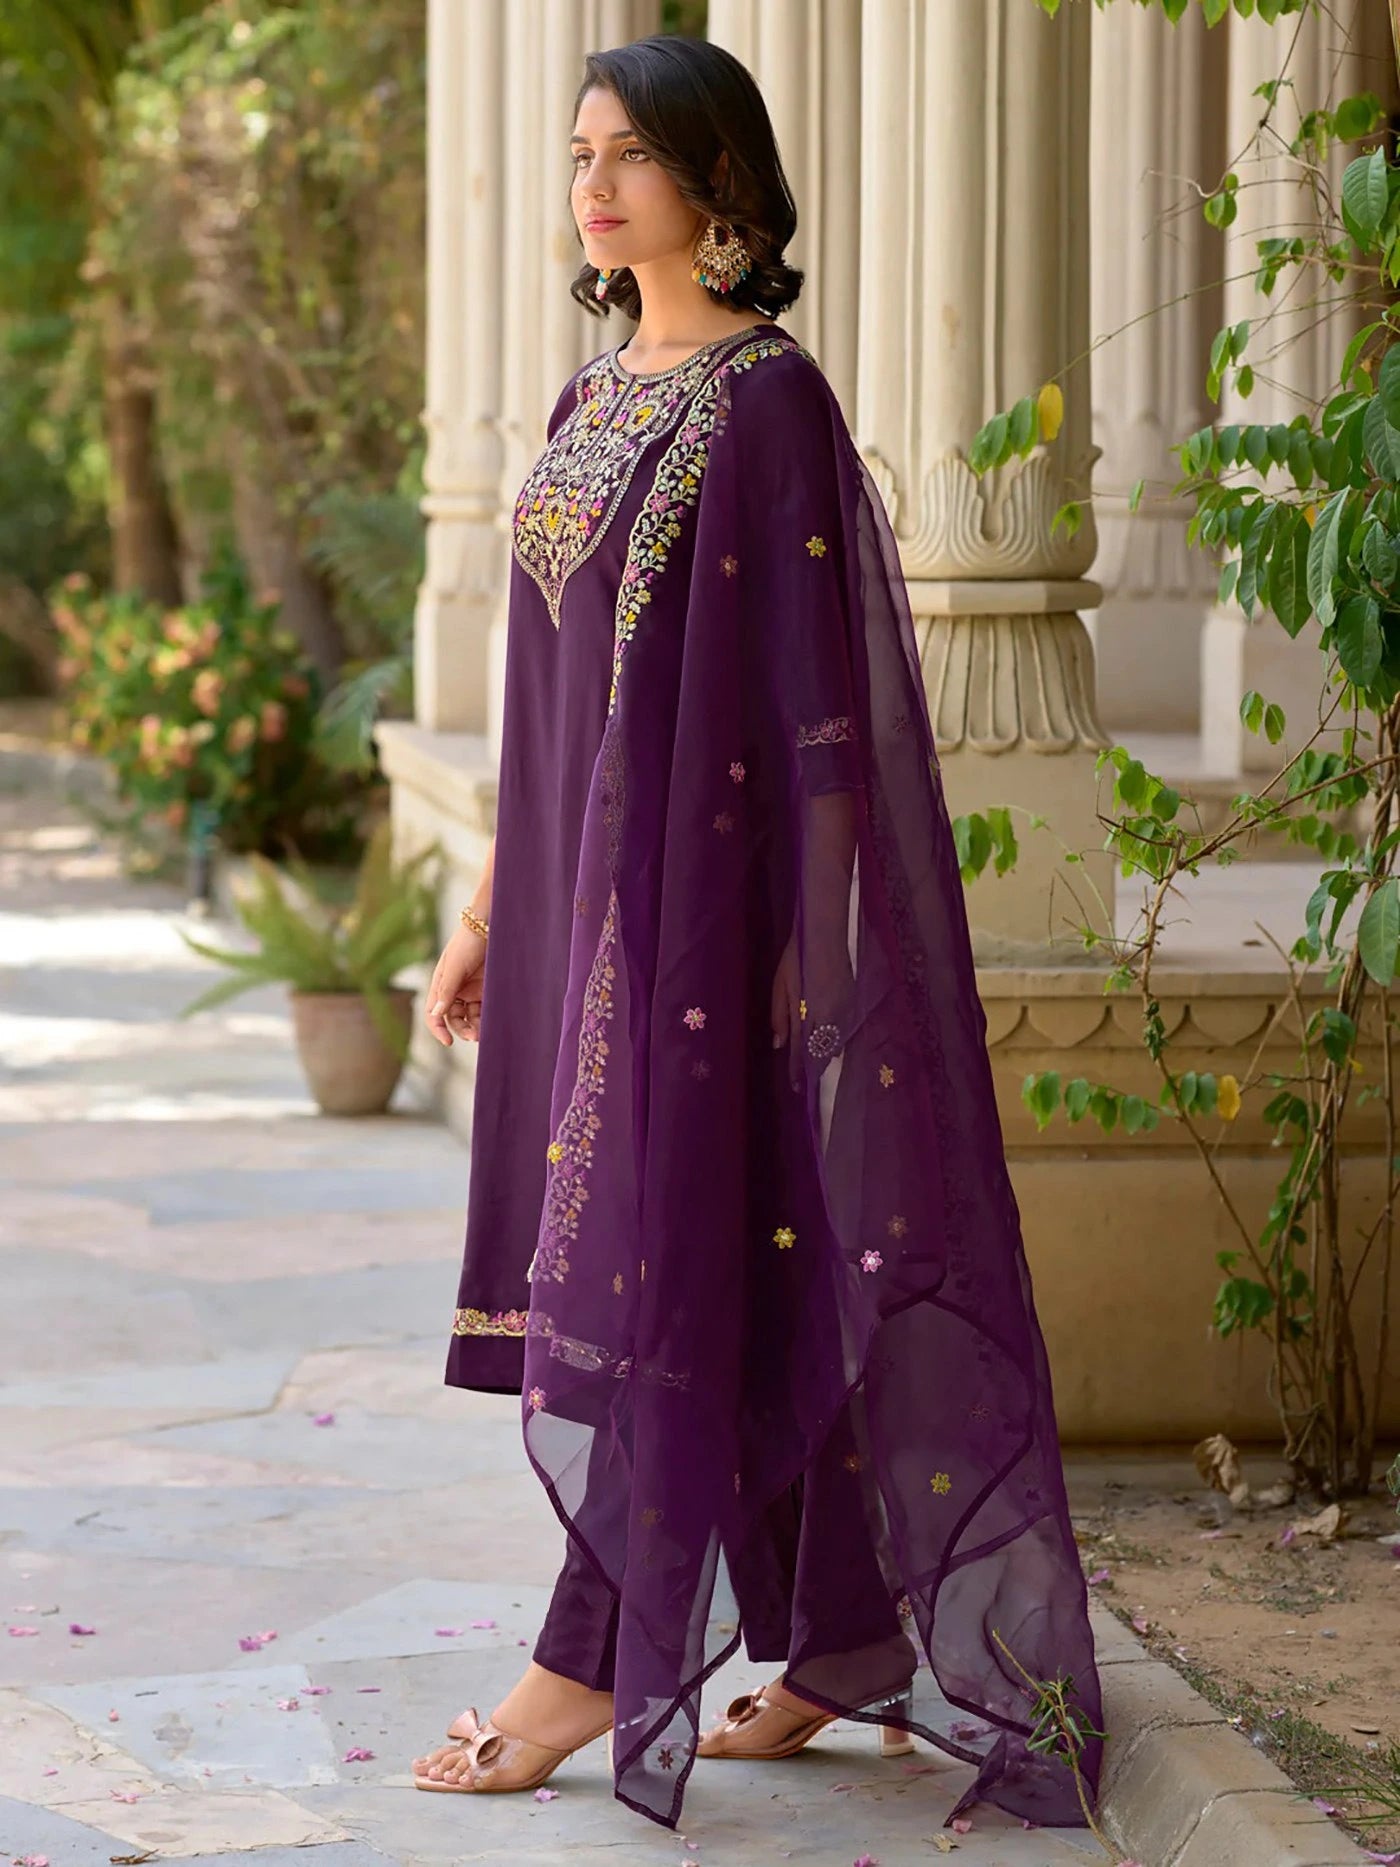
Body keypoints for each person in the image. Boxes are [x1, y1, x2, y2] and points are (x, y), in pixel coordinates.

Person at [410, 32, 1103, 1839]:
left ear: (724, 183)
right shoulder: (582, 404)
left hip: (707, 930)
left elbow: (820, 713)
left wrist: (816, 931)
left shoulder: (768, 398)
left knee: (655, 1274)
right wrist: (489, 910)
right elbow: (537, 699)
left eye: (632, 153)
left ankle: (581, 1661)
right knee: (747, 1262)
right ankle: (842, 1636)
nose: (594, 183)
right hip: (578, 921)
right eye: (580, 154)